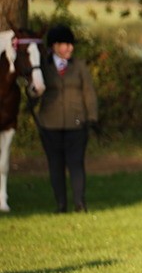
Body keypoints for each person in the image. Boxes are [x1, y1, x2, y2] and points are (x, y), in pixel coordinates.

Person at [33, 24, 99, 213]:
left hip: (77, 124)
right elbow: (35, 91)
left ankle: (79, 203)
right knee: (55, 166)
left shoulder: (79, 66)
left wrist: (92, 116)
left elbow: (89, 93)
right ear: (53, 46)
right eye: (65, 44)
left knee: (76, 164)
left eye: (71, 44)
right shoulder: (43, 67)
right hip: (50, 124)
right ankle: (60, 204)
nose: (69, 48)